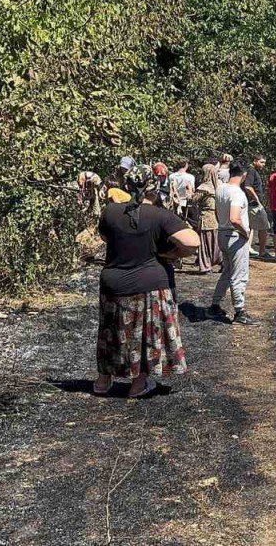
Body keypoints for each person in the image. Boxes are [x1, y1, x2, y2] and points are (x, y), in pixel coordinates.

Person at [94, 165, 198, 399]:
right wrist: (172, 255)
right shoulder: (161, 216)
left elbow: (104, 236)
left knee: (112, 332)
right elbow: (192, 242)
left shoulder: (110, 212)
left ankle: (102, 381)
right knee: (145, 336)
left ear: (126, 186)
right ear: (155, 186)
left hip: (113, 283)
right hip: (149, 285)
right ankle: (138, 384)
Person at [210, 162, 256, 325]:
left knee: (228, 272)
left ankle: (215, 304)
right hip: (235, 236)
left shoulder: (220, 189)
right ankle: (240, 311)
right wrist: (245, 232)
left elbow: (218, 212)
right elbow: (234, 218)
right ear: (243, 176)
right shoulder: (237, 193)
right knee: (239, 275)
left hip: (223, 233)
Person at [193, 163, 221, 274]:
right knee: (217, 243)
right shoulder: (219, 185)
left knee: (205, 244)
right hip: (218, 218)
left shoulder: (203, 187)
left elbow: (194, 199)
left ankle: (206, 266)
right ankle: (222, 261)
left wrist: (190, 192)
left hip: (206, 218)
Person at [243, 155, 272, 258]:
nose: (263, 165)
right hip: (253, 205)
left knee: (250, 227)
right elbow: (248, 186)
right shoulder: (251, 171)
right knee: (264, 226)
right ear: (255, 161)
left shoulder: (253, 171)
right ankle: (262, 251)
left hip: (251, 204)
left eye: (264, 162)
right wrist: (257, 199)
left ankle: (247, 249)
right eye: (262, 162)